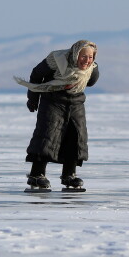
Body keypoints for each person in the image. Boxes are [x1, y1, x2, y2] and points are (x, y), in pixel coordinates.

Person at [14, 39, 99, 190]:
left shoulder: (91, 68)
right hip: (52, 100)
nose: (87, 60)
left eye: (90, 57)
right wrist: (33, 99)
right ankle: (37, 174)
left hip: (76, 103)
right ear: (75, 54)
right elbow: (36, 74)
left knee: (76, 137)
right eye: (83, 56)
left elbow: (91, 82)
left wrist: (94, 68)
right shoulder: (56, 60)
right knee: (47, 135)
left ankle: (69, 175)